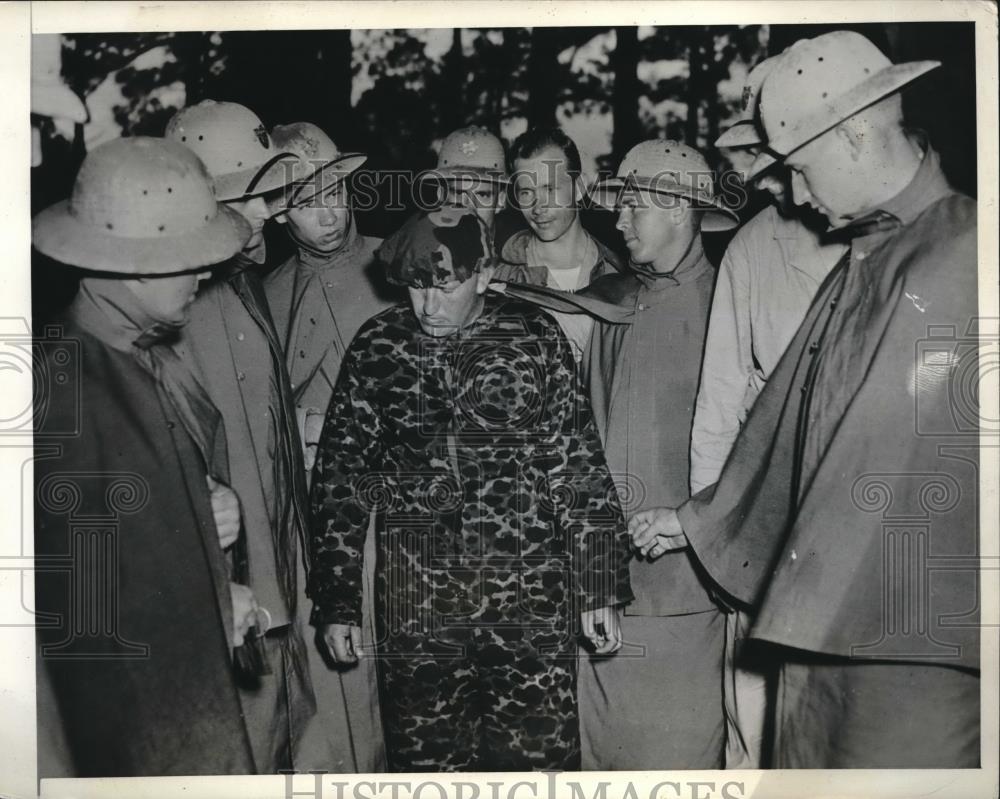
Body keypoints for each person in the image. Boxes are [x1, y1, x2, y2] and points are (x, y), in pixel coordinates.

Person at [630, 31, 979, 768]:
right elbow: (786, 424)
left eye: (799, 169)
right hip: (821, 621)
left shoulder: (968, 251)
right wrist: (696, 518)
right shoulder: (862, 259)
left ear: (854, 133)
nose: (790, 193)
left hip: (914, 641)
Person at [308, 207, 633, 772]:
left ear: (483, 274)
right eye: (414, 288)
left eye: (444, 285)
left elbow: (576, 463)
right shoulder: (378, 346)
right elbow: (342, 478)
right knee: (429, 775)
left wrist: (600, 583)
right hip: (418, 617)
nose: (428, 307)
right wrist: (337, 603)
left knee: (539, 775)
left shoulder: (535, 338)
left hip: (530, 611)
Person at [32, 136, 256, 776]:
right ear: (138, 264)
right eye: (191, 258)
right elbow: (79, 622)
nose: (205, 273)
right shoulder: (59, 385)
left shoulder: (141, 355)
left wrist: (211, 568)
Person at [690, 56, 847, 769]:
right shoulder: (751, 249)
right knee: (753, 718)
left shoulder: (880, 241)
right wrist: (718, 539)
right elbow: (720, 403)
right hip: (763, 517)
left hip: (858, 521)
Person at [570, 140, 739, 770]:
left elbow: (757, 454)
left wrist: (692, 526)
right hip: (602, 591)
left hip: (686, 595)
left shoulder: (728, 306)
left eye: (632, 205)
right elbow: (586, 448)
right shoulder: (612, 303)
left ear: (677, 208)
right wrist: (592, 574)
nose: (617, 221)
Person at [165, 100, 321, 773]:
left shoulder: (243, 282)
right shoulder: (178, 309)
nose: (272, 213)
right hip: (235, 608)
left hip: (280, 595)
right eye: (251, 197)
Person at [263, 120, 395, 772]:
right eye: (309, 200)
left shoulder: (398, 263)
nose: (330, 212)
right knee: (336, 683)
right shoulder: (265, 296)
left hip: (406, 508)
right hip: (319, 519)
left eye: (337, 192)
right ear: (280, 211)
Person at [497, 126, 624, 360]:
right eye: (526, 192)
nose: (538, 207)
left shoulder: (620, 274)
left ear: (578, 188)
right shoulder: (499, 280)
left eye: (549, 188)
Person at [418, 125, 508, 237]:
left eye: (482, 195)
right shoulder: (414, 248)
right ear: (440, 196)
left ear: (500, 200)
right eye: (458, 193)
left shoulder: (518, 250)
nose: (469, 210)